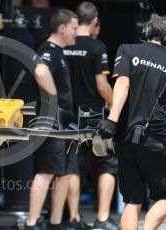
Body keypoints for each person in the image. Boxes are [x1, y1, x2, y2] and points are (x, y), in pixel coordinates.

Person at [98, 16, 166, 230]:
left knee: (132, 200)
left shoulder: (127, 50)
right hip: (157, 138)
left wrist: (111, 120)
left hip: (125, 137)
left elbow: (122, 85)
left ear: (146, 33)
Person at [62, 2, 119, 229]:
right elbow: (102, 85)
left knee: (73, 166)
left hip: (67, 116)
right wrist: (116, 106)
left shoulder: (64, 45)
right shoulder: (97, 47)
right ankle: (102, 220)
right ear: (95, 21)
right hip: (94, 116)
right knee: (107, 164)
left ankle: (74, 218)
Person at [26, 9, 78, 230]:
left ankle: (55, 223)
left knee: (64, 173)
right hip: (51, 119)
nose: (76, 33)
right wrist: (54, 97)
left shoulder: (59, 52)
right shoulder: (48, 50)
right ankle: (32, 223)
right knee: (46, 171)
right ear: (62, 28)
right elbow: (39, 71)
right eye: (74, 29)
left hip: (64, 120)